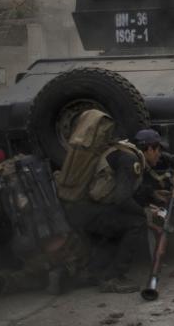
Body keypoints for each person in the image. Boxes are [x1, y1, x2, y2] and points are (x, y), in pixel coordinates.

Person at [59, 110, 153, 293]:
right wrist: (145, 213)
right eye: (158, 150)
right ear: (150, 148)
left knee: (115, 226)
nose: (158, 157)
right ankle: (113, 277)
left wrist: (152, 196)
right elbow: (122, 198)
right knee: (136, 223)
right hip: (86, 212)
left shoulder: (118, 151)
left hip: (74, 208)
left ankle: (91, 272)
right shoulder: (130, 159)